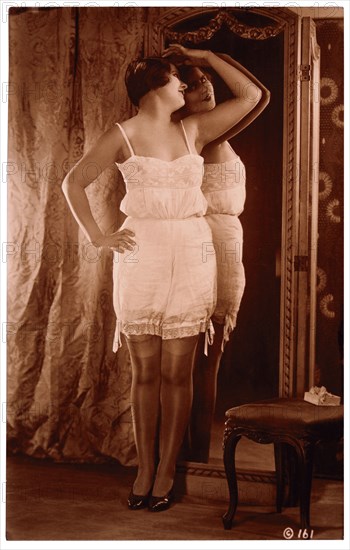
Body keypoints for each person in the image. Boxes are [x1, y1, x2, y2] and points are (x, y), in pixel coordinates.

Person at [62, 45, 262, 511]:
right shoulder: (123, 136)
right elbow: (73, 182)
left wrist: (207, 55)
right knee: (145, 371)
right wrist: (98, 236)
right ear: (154, 88)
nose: (185, 88)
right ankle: (144, 468)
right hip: (142, 255)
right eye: (177, 80)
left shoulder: (193, 130)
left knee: (178, 371)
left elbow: (251, 95)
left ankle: (167, 469)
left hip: (193, 255)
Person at [175, 51, 270, 462]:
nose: (207, 85)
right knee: (199, 362)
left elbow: (261, 96)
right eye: (194, 84)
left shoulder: (217, 133)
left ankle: (192, 453)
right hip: (206, 243)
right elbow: (252, 93)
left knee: (205, 362)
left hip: (225, 242)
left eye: (206, 78)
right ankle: (191, 456)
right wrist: (211, 55)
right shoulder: (200, 133)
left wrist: (214, 59)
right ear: (179, 98)